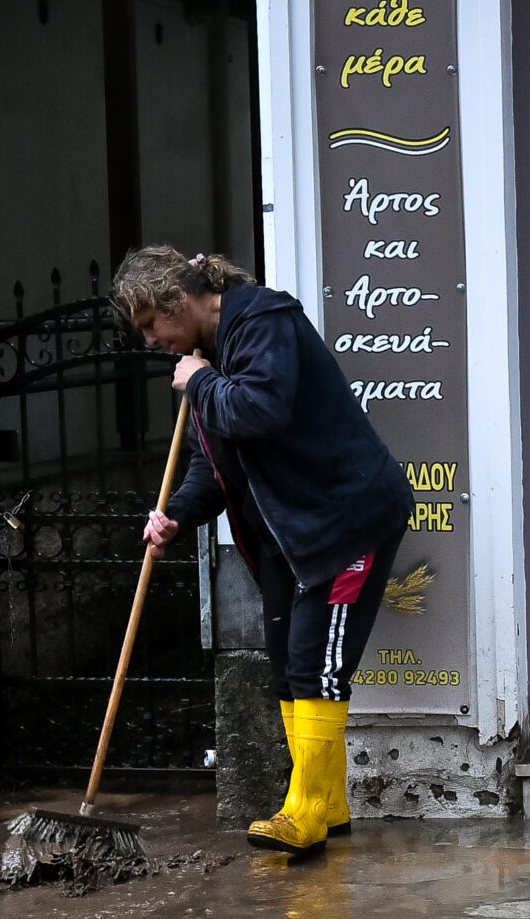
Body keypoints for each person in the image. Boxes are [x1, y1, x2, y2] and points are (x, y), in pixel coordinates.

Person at [118, 247, 415, 859]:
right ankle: (327, 803)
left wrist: (200, 382)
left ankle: (303, 811)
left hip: (344, 520)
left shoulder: (262, 322)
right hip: (288, 534)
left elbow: (259, 409)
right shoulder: (209, 360)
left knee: (316, 663)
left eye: (152, 325)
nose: (151, 340)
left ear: (178, 301)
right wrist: (176, 515)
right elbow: (213, 465)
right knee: (286, 662)